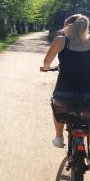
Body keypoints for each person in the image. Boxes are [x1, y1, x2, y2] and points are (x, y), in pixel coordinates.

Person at [40, 14, 90, 148]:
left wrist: (46, 68)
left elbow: (47, 61)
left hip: (64, 91)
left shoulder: (61, 41)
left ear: (68, 27)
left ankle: (59, 137)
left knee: (59, 109)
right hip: (88, 92)